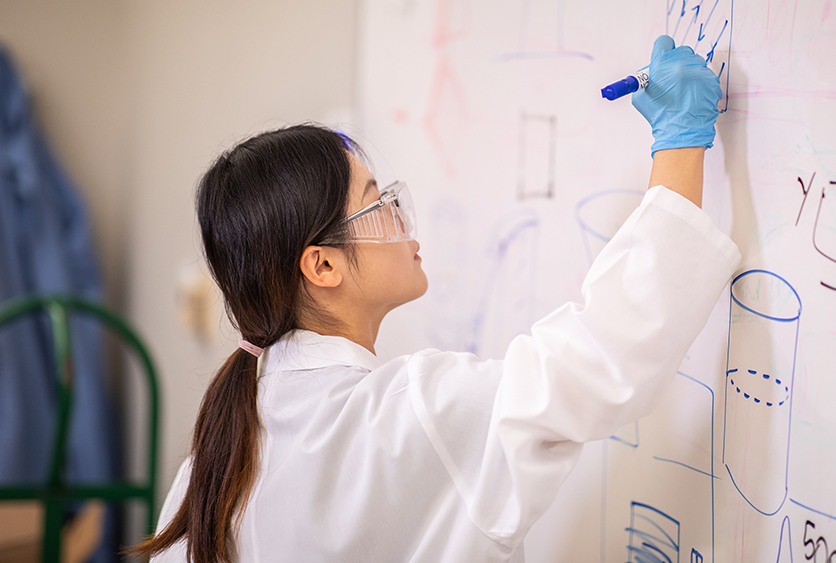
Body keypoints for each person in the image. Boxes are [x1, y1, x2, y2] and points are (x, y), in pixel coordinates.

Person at [133, 35, 740, 563]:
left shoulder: (211, 463)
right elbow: (605, 355)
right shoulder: (410, 416)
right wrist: (680, 143)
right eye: (378, 204)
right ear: (322, 265)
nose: (403, 220)